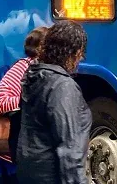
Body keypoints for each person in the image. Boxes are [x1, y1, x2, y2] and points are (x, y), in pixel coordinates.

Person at [15, 21, 91, 184]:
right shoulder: (62, 87)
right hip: (51, 176)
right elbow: (69, 149)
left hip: (29, 171)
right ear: (75, 53)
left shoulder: (33, 76)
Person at [0, 26, 49, 184]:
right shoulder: (22, 68)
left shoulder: (40, 69)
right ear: (41, 48)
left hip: (21, 154)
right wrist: (26, 100)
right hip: (10, 157)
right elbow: (0, 101)